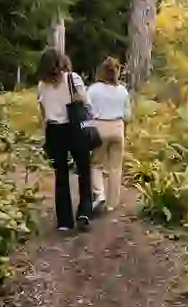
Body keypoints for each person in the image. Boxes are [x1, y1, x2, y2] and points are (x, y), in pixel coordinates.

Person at [36, 47, 94, 232]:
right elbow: (86, 103)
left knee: (60, 175)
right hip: (74, 127)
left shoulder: (41, 85)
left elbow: (43, 112)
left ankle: (64, 221)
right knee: (84, 170)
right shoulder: (73, 78)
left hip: (54, 130)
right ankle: (84, 212)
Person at [87, 56, 132, 210]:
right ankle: (112, 204)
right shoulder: (122, 91)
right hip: (118, 128)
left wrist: (86, 128)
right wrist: (123, 130)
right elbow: (127, 116)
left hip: (99, 127)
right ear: (117, 71)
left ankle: (99, 193)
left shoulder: (93, 89)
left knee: (95, 164)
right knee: (115, 167)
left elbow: (87, 111)